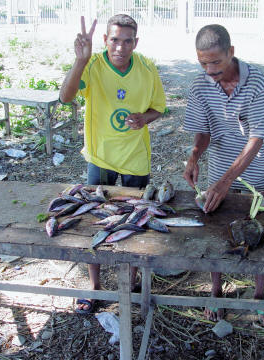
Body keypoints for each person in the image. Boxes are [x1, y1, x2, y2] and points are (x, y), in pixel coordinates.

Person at [59, 14, 166, 314]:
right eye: (114, 40)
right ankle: (93, 286)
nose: (120, 47)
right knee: (93, 218)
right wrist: (79, 60)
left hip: (135, 158)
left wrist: (145, 118)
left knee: (136, 219)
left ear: (136, 42)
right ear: (105, 40)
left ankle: (130, 280)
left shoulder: (146, 68)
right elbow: (65, 97)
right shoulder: (92, 64)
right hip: (100, 157)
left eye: (127, 41)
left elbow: (158, 108)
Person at [183, 24, 264, 325]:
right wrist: (194, 155)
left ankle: (259, 295)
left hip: (260, 169)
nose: (210, 70)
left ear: (231, 52)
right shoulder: (199, 86)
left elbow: (257, 138)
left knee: (261, 231)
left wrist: (227, 182)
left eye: (216, 62)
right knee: (217, 229)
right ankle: (216, 290)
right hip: (220, 168)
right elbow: (202, 131)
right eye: (203, 63)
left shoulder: (256, 82)